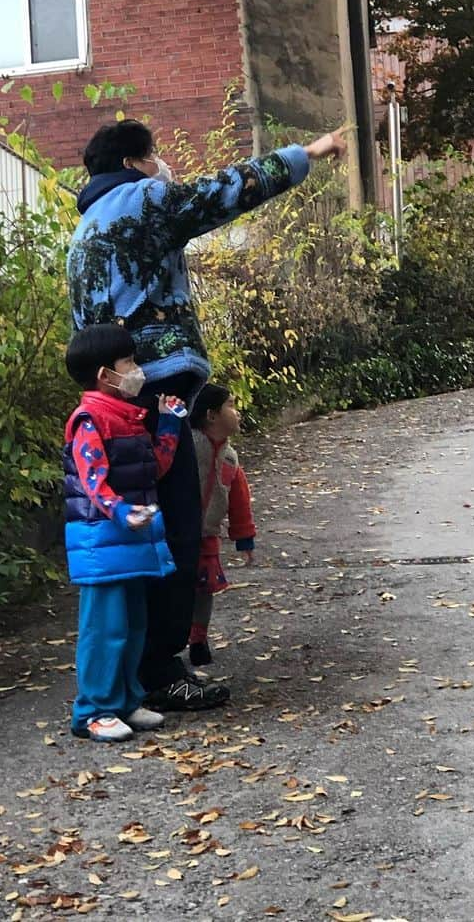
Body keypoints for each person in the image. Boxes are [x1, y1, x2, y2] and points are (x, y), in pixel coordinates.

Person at [67, 118, 346, 712]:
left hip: (112, 398)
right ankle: (162, 669)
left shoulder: (86, 230)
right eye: (155, 155)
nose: (163, 166)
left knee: (138, 532)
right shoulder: (139, 199)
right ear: (136, 162)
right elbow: (224, 191)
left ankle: (129, 677)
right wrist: (308, 152)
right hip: (159, 391)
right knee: (177, 527)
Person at [62, 323, 186, 743]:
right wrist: (118, 512)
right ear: (105, 375)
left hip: (129, 539)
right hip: (103, 541)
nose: (137, 370)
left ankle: (125, 701)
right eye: (129, 362)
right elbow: (92, 478)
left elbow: (155, 468)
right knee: (104, 628)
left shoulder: (129, 418)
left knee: (133, 625)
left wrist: (168, 424)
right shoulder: (89, 419)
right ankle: (93, 710)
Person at [188, 383, 254, 667]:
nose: (237, 412)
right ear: (211, 415)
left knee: (204, 592)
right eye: (231, 405)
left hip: (207, 536)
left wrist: (244, 537)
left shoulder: (229, 457)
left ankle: (198, 639)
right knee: (176, 590)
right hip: (177, 534)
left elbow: (239, 499)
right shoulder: (189, 447)